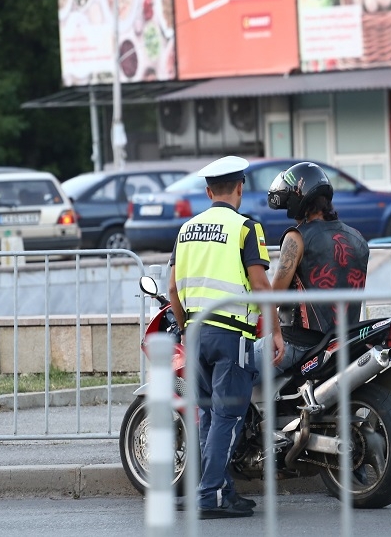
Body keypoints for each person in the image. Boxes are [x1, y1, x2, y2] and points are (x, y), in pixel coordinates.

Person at [166, 155, 284, 520]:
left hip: (196, 334)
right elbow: (261, 286)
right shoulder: (247, 228)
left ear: (207, 191)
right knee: (228, 416)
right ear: (239, 188)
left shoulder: (186, 230)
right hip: (231, 335)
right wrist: (276, 330)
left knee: (208, 414)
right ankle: (209, 494)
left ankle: (219, 489)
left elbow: (172, 289)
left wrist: (186, 326)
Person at [251, 162, 370, 376]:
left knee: (234, 367)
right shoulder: (358, 238)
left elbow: (274, 297)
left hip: (299, 344)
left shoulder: (296, 237)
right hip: (345, 340)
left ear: (298, 200)